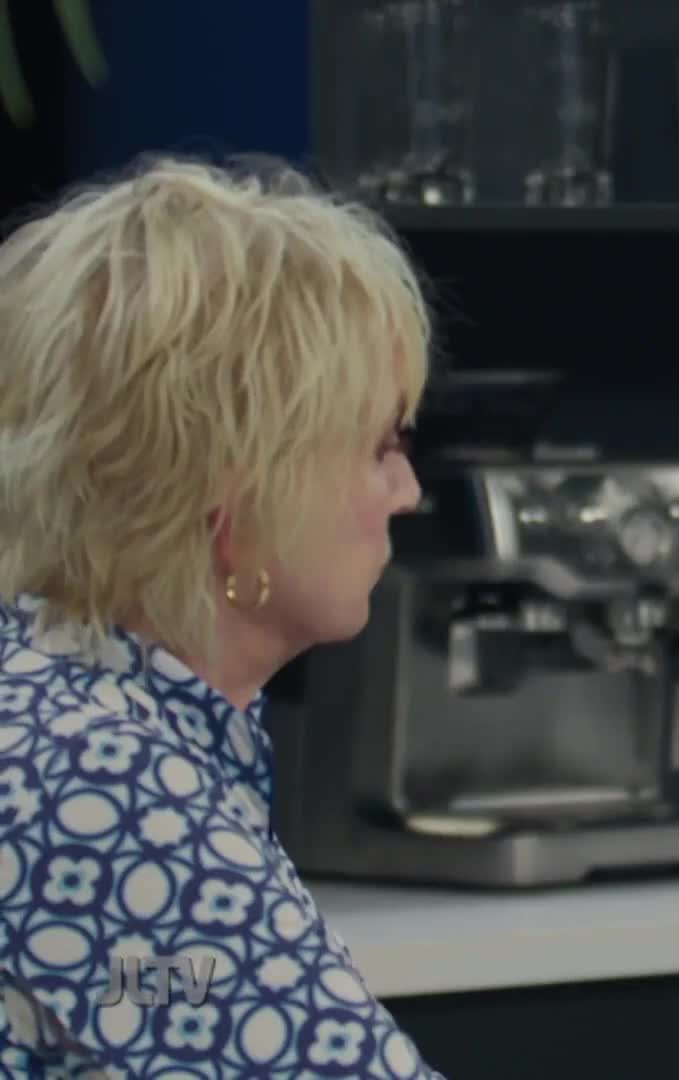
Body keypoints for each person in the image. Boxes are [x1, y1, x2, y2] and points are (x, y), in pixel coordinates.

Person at [0, 156, 444, 1076]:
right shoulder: (97, 778)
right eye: (378, 447)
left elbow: (153, 997)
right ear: (236, 495)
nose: (406, 490)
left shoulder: (63, 714)